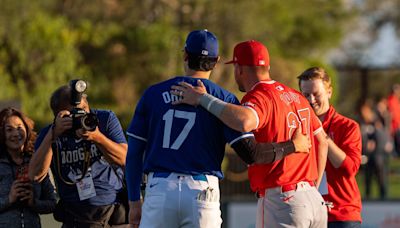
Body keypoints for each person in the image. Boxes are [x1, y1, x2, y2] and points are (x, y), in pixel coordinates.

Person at [125, 31, 312, 228]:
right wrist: (292, 145)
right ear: (216, 62)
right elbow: (251, 153)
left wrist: (134, 201)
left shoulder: (153, 94)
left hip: (160, 189)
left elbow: (134, 153)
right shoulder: (224, 100)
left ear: (185, 56)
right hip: (202, 191)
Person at [172, 40, 328, 228]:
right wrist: (312, 188)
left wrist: (202, 99)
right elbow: (322, 141)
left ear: (239, 69)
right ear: (267, 67)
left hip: (283, 198)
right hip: (313, 198)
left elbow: (244, 121)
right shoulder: (296, 96)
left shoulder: (260, 95)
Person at [28, 81, 128, 228]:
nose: (82, 117)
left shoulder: (104, 119)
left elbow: (125, 158)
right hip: (75, 216)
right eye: (74, 114)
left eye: (84, 109)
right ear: (59, 115)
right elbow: (35, 174)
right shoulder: (51, 132)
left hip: (111, 211)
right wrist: (53, 135)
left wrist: (97, 137)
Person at [298, 67, 362, 227]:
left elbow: (350, 169)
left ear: (329, 92)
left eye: (316, 94)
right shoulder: (298, 128)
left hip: (341, 215)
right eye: (306, 95)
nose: (311, 100)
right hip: (308, 214)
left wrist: (322, 136)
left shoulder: (348, 126)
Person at [0, 107, 56, 228]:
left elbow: (52, 203)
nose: (15, 134)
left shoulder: (38, 162)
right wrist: (9, 199)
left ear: (27, 129)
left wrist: (33, 202)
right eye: (9, 130)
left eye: (19, 128)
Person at [359, 99, 391, 200]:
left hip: (378, 157)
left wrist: (374, 144)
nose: (363, 114)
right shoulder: (362, 123)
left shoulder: (377, 122)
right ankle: (368, 200)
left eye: (365, 111)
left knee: (381, 181)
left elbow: (383, 137)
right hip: (367, 157)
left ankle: (384, 199)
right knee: (367, 182)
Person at [387, 84, 400, 156]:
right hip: (394, 126)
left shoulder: (396, 100)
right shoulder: (391, 100)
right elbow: (390, 115)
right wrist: (390, 126)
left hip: (397, 125)